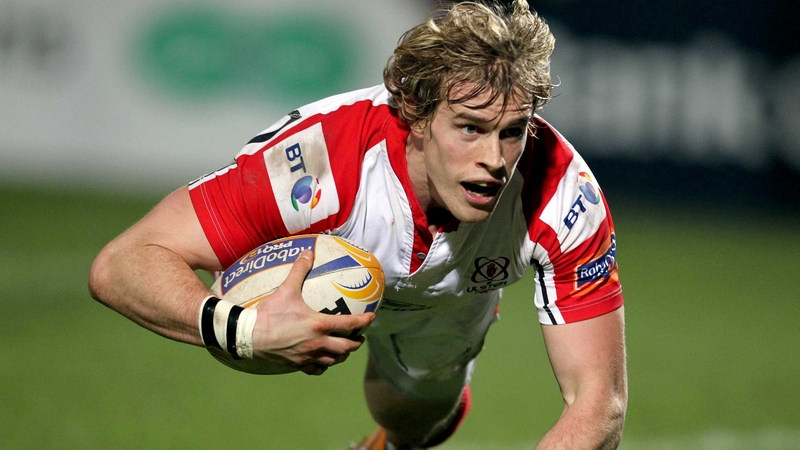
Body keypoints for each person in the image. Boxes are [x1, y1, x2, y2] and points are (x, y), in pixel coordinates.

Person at [88, 1, 628, 448]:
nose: (495, 159)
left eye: (512, 131)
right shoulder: (319, 162)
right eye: (469, 127)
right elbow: (121, 264)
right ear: (415, 113)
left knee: (414, 422)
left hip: (449, 303)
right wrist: (247, 331)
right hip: (317, 255)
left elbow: (599, 405)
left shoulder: (562, 194)